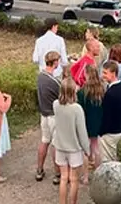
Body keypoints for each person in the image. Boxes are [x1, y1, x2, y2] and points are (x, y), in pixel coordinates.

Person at [53, 78, 90, 204]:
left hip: (60, 146)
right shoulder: (77, 109)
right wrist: (87, 149)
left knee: (64, 178)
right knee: (74, 180)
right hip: (74, 148)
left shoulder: (55, 105)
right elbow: (82, 132)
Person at [36, 51, 62, 184]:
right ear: (55, 62)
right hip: (54, 115)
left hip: (43, 114)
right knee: (55, 144)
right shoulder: (54, 82)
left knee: (44, 141)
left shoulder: (40, 77)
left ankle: (39, 170)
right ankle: (57, 173)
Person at [77, 65, 105, 184]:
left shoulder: (83, 92)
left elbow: (80, 109)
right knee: (96, 148)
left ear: (87, 74)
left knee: (85, 150)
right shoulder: (102, 89)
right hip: (98, 122)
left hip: (86, 123)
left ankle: (86, 177)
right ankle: (98, 174)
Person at [99, 61, 121, 163]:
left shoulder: (110, 93)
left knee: (109, 162)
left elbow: (106, 116)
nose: (103, 75)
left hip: (111, 134)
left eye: (105, 73)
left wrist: (101, 132)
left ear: (113, 73)